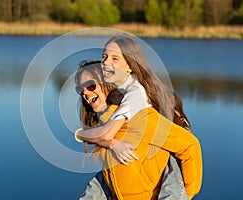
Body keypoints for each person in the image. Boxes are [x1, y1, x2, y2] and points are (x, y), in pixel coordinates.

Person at [75, 35, 202, 199]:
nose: (85, 93)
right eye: (81, 89)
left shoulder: (140, 116)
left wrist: (184, 194)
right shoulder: (105, 122)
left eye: (91, 86)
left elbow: (190, 146)